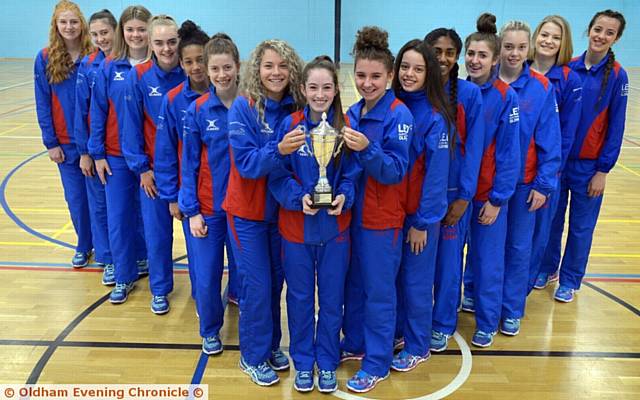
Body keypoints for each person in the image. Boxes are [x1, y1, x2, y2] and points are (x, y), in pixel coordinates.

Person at [268, 55, 358, 393]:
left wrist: (344, 197)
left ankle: (328, 361)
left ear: (336, 90)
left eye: (327, 87)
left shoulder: (346, 127)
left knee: (333, 300)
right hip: (296, 230)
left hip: (335, 230)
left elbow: (352, 175)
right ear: (303, 90)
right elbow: (277, 174)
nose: (320, 94)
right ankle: (304, 363)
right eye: (313, 87)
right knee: (301, 300)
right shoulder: (290, 125)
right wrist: (297, 198)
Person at [223, 39, 304, 386]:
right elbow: (246, 164)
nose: (276, 73)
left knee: (275, 284)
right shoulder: (243, 107)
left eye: (282, 66)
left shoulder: (295, 107)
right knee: (256, 286)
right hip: (246, 214)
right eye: (269, 66)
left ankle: (270, 345)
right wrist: (279, 148)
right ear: (257, 69)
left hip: (280, 215)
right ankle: (252, 356)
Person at [476, 19, 560, 345]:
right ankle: (480, 298)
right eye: (508, 47)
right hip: (490, 186)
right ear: (499, 50)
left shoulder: (541, 87)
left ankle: (511, 309)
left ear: (529, 49)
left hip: (525, 186)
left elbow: (551, 139)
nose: (514, 53)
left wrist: (543, 183)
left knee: (518, 248)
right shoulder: (483, 83)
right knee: (487, 251)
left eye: (520, 47)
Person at [340, 26, 413, 393]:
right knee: (354, 285)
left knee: (379, 292)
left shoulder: (399, 116)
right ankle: (355, 343)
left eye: (375, 77)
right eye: (361, 76)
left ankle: (378, 361)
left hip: (382, 221)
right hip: (351, 218)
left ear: (389, 77)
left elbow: (396, 171)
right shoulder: (351, 112)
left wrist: (368, 148)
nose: (367, 83)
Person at [539, 10, 628, 302]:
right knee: (551, 221)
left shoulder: (617, 75)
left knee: (580, 227)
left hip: (590, 168)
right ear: (588, 30)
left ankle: (570, 279)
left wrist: (603, 170)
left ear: (616, 38)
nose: (601, 36)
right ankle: (548, 268)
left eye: (609, 32)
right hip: (560, 164)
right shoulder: (569, 68)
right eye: (598, 29)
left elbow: (616, 126)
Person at [390, 39, 451, 370]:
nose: (409, 74)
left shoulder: (434, 117)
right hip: (390, 216)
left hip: (417, 220)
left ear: (429, 73)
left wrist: (423, 222)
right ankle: (399, 333)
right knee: (395, 280)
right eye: (405, 67)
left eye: (418, 68)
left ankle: (417, 345)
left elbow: (436, 176)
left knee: (415, 283)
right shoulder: (390, 105)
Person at [179, 32, 241, 355]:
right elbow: (187, 164)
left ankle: (250, 326)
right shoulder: (198, 111)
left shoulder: (250, 106)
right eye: (215, 69)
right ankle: (210, 329)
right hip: (210, 208)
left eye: (227, 67)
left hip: (244, 211)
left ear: (238, 65)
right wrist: (192, 211)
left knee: (245, 274)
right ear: (206, 69)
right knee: (206, 276)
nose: (221, 75)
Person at [462, 13, 520, 348]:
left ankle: (486, 321)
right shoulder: (456, 91)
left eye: (482, 55)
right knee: (454, 263)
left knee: (488, 262)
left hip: (487, 198)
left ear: (495, 59)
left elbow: (509, 153)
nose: (475, 60)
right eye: (471, 54)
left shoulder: (505, 96)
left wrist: (498, 199)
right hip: (458, 197)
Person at [424, 27, 484, 345]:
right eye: (437, 51)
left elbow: (474, 151)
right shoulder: (416, 91)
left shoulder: (470, 95)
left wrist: (463, 197)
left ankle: (444, 322)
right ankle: (416, 319)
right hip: (421, 197)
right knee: (419, 266)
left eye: (450, 52)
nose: (443, 58)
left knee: (448, 265)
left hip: (453, 198)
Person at [122, 14, 185, 313]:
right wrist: (142, 169)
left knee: (197, 233)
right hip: (155, 175)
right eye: (159, 42)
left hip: (190, 173)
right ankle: (160, 289)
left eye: (172, 42)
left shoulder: (191, 75)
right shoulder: (140, 77)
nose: (167, 48)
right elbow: (131, 127)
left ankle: (203, 290)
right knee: (157, 235)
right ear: (150, 42)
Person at [89, 5, 150, 297]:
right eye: (131, 29)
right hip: (116, 157)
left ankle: (154, 271)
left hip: (153, 159)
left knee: (153, 220)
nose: (136, 34)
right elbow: (98, 111)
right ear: (122, 33)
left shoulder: (162, 66)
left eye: (142, 28)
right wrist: (97, 153)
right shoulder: (110, 66)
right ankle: (124, 275)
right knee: (119, 217)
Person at [34, 0, 94, 267]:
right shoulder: (45, 58)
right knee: (76, 199)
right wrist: (51, 142)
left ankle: (107, 249)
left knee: (101, 202)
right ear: (56, 26)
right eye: (63, 22)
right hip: (65, 145)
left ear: (82, 24)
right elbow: (43, 103)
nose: (69, 27)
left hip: (96, 144)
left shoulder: (95, 56)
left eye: (74, 21)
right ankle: (84, 244)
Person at [154, 20, 208, 303]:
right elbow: (164, 153)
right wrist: (172, 196)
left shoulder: (231, 95)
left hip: (226, 193)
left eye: (201, 59)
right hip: (191, 195)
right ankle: (203, 301)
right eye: (189, 61)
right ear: (181, 64)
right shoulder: (173, 100)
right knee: (199, 256)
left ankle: (236, 294)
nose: (196, 67)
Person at [527, 15, 583, 292]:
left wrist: (548, 172)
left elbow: (567, 133)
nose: (548, 41)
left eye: (555, 37)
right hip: (517, 169)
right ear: (535, 37)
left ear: (564, 44)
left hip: (546, 171)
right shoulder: (520, 69)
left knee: (542, 229)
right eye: (544, 35)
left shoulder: (569, 80)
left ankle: (539, 270)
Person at [74, 9, 117, 284]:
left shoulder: (131, 63)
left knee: (126, 209)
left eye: (105, 32)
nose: (101, 38)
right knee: (100, 206)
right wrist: (85, 152)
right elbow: (82, 111)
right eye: (95, 34)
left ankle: (137, 255)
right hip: (97, 149)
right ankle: (108, 258)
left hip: (123, 151)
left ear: (116, 31)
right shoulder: (88, 65)